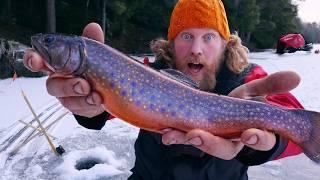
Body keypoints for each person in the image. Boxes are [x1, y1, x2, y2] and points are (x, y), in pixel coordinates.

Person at [24, 0, 304, 179]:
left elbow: (298, 123)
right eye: (186, 36)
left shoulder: (249, 79)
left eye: (208, 36)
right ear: (171, 43)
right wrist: (88, 109)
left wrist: (268, 144)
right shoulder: (147, 75)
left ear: (225, 43)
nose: (196, 48)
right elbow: (101, 107)